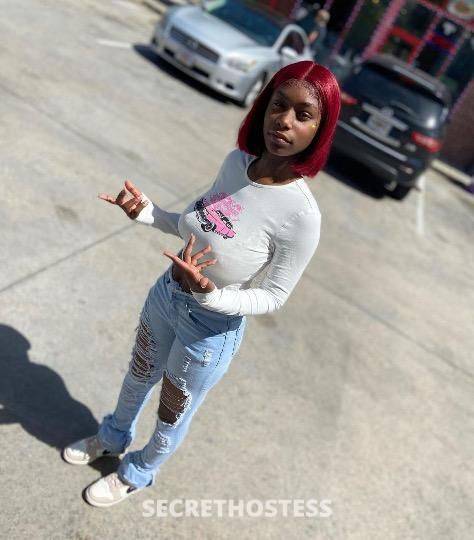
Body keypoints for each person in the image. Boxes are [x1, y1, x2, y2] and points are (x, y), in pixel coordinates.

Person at [62, 60, 341, 508]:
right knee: (137, 377)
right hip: (166, 296)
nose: (284, 121)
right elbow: (199, 226)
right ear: (264, 106)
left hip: (209, 331)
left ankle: (137, 472)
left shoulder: (301, 215)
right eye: (279, 105)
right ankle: (112, 438)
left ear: (319, 131)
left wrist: (213, 295)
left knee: (171, 413)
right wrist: (148, 213)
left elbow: (274, 295)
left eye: (303, 115)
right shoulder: (236, 164)